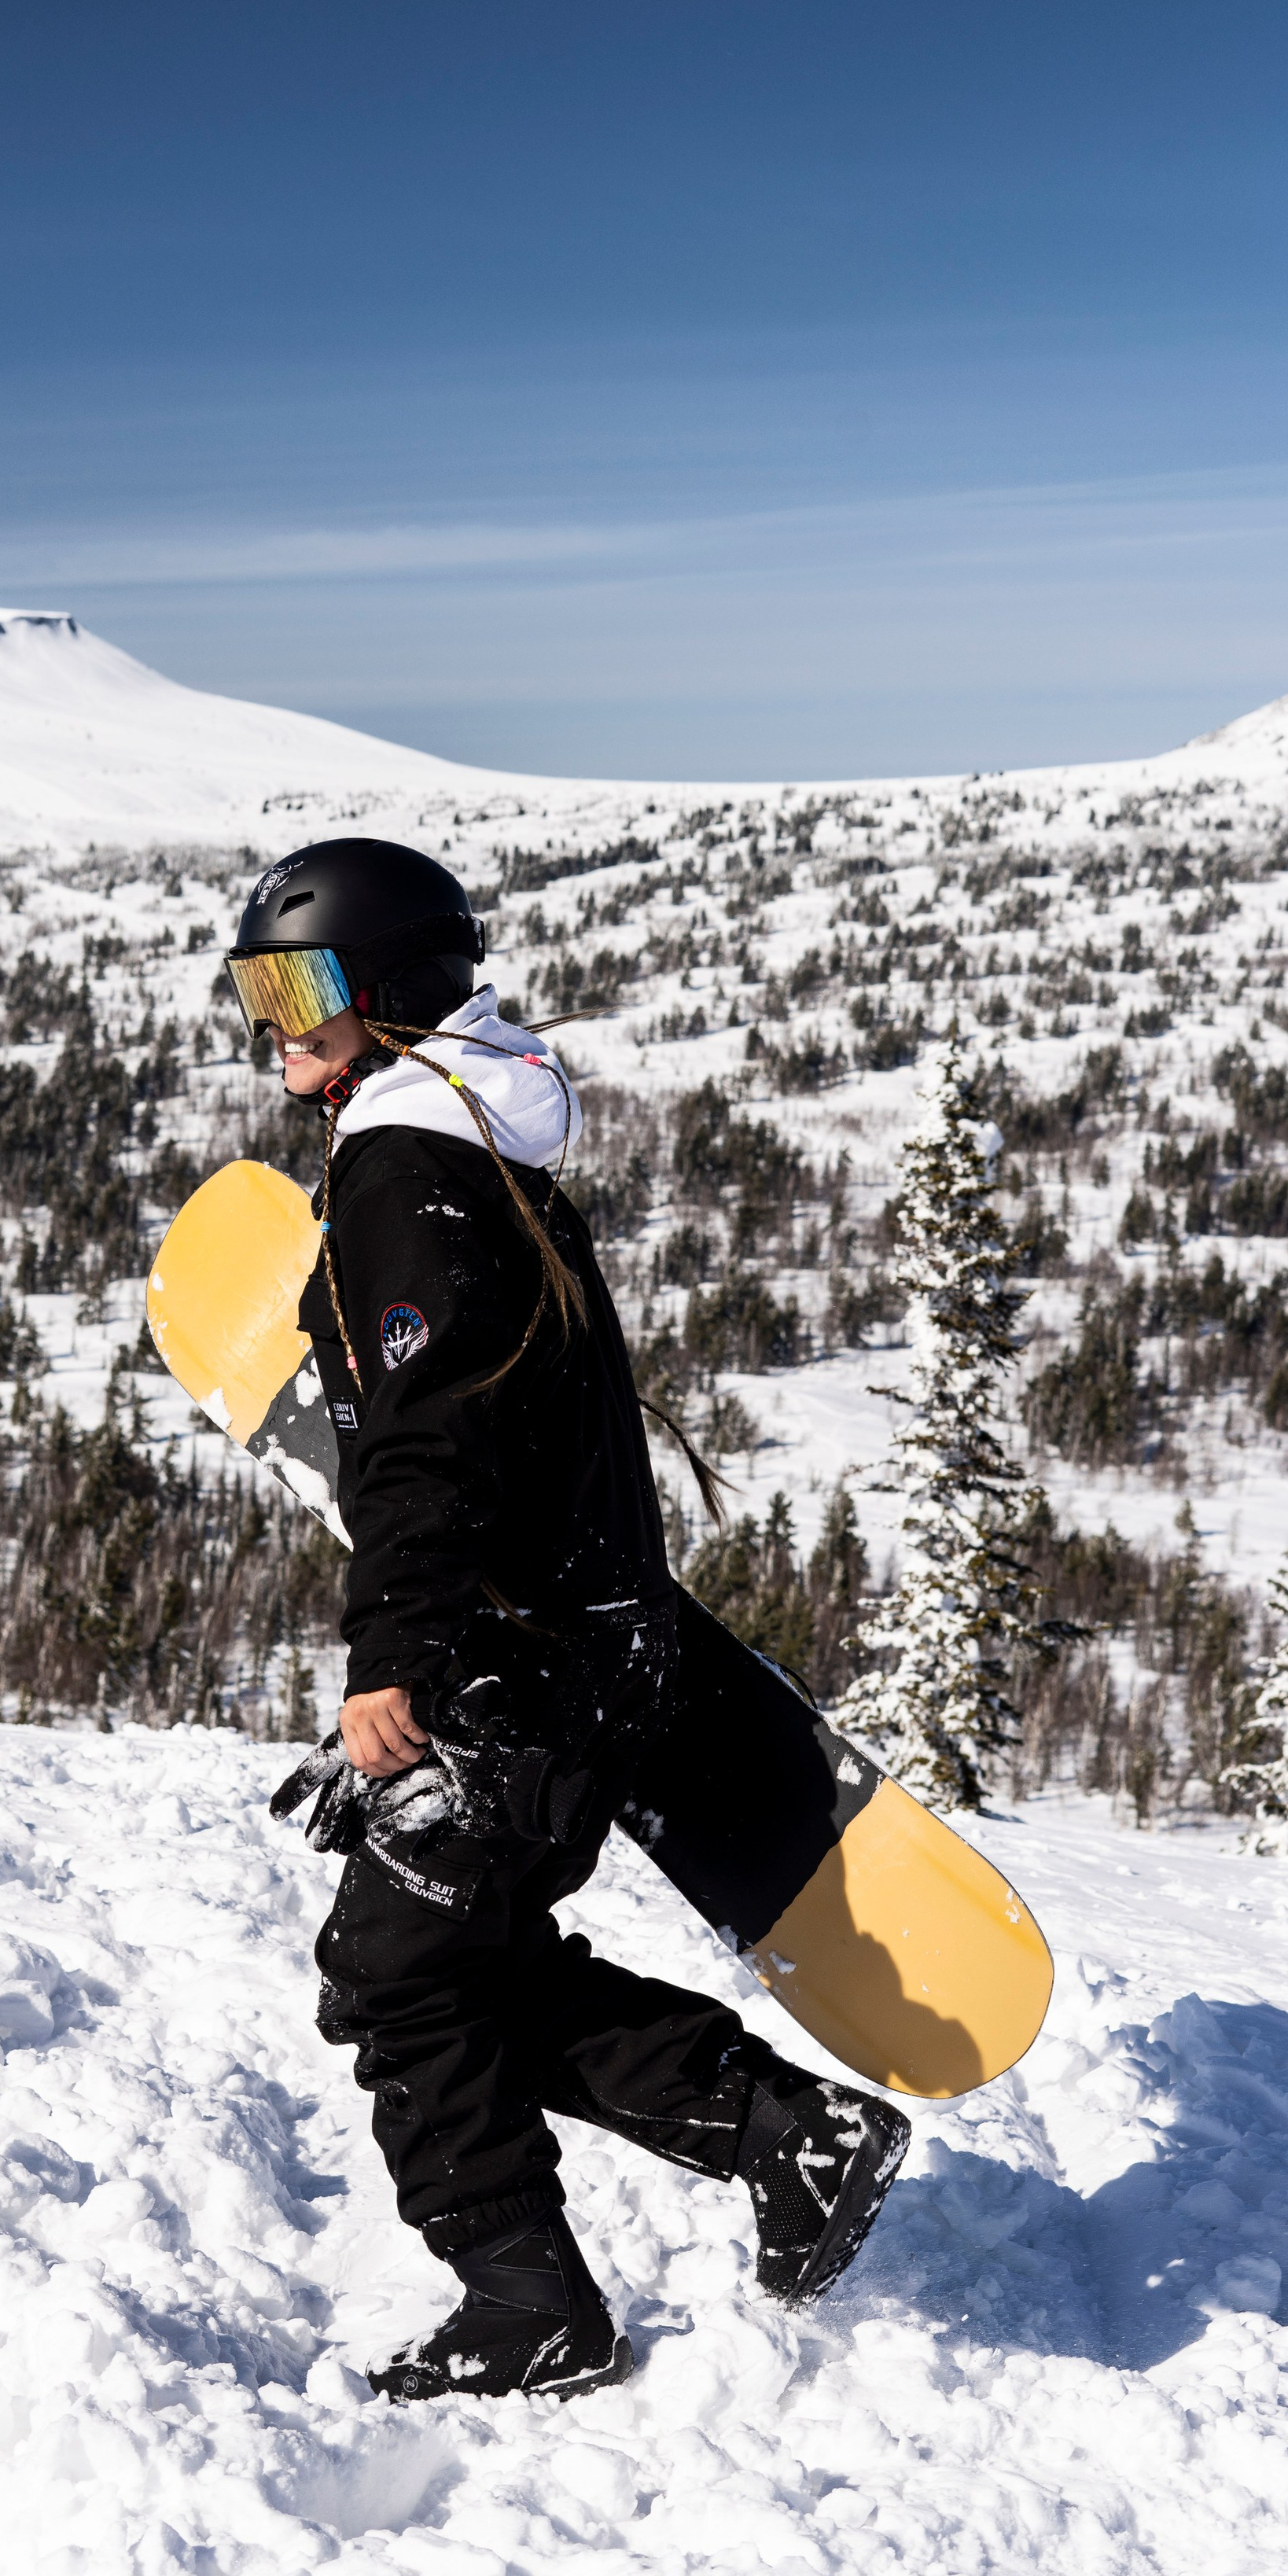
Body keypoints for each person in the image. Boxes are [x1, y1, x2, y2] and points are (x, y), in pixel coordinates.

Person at [228, 837, 909, 2403]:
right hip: (573, 1648)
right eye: (257, 993)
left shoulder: (407, 1168)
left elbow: (424, 1437)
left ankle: (545, 2296)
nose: (277, 1027)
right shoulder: (474, 1145)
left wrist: (391, 1665)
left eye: (303, 989)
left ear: (390, 989)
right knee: (438, 1972)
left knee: (401, 1981)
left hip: (508, 1664)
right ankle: (774, 2145)